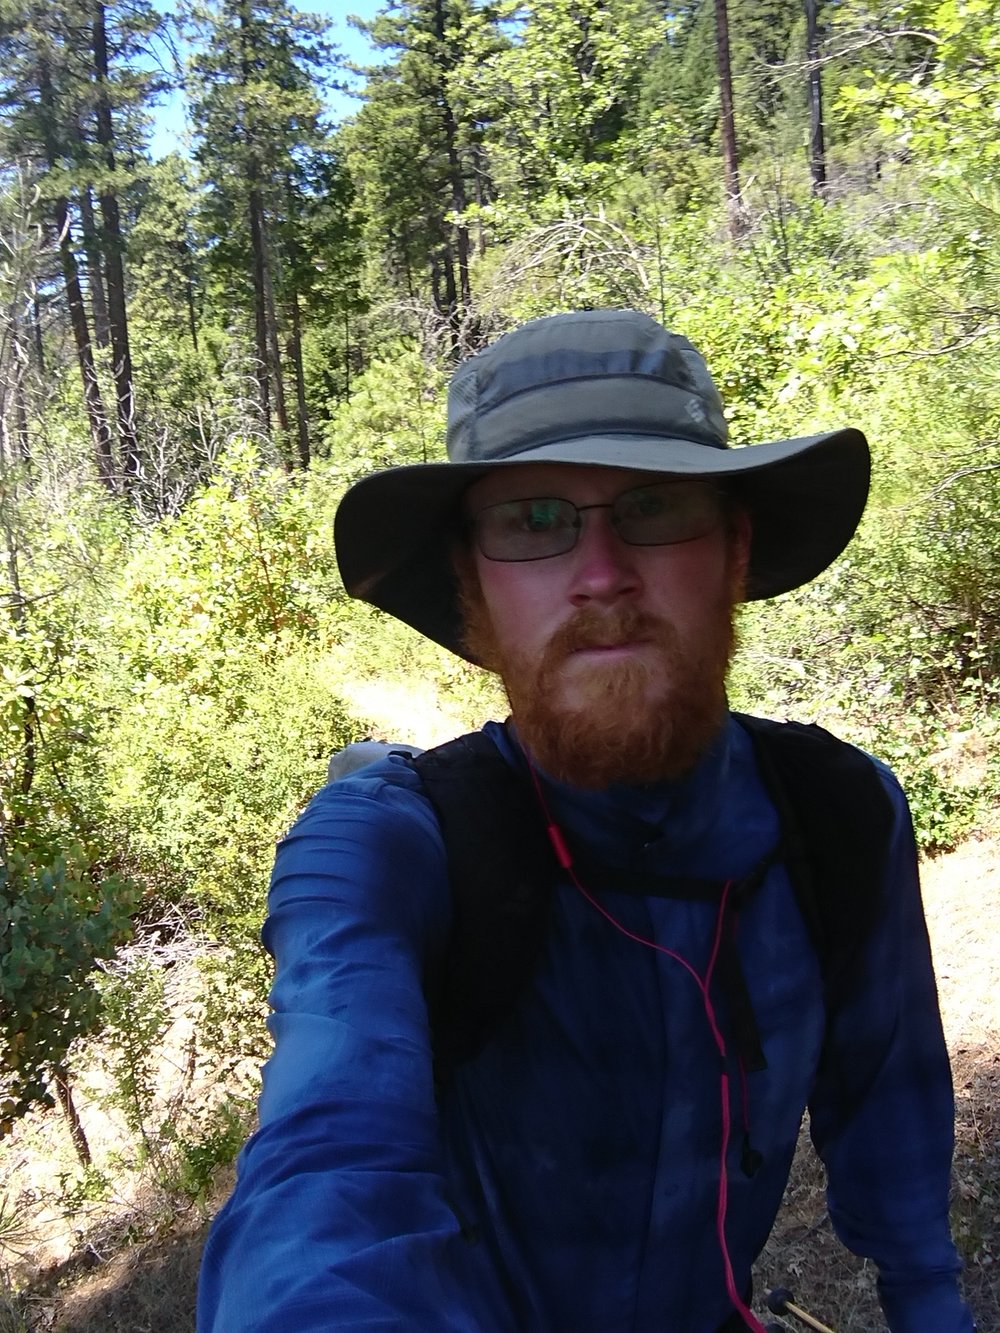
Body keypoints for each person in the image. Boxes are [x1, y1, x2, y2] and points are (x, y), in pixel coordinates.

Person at [197, 309, 974, 1333]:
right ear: (471, 588)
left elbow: (894, 1127)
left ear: (734, 550)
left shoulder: (834, 814)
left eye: (652, 507)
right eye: (531, 519)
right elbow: (326, 1163)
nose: (602, 573)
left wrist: (930, 1305)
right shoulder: (390, 844)